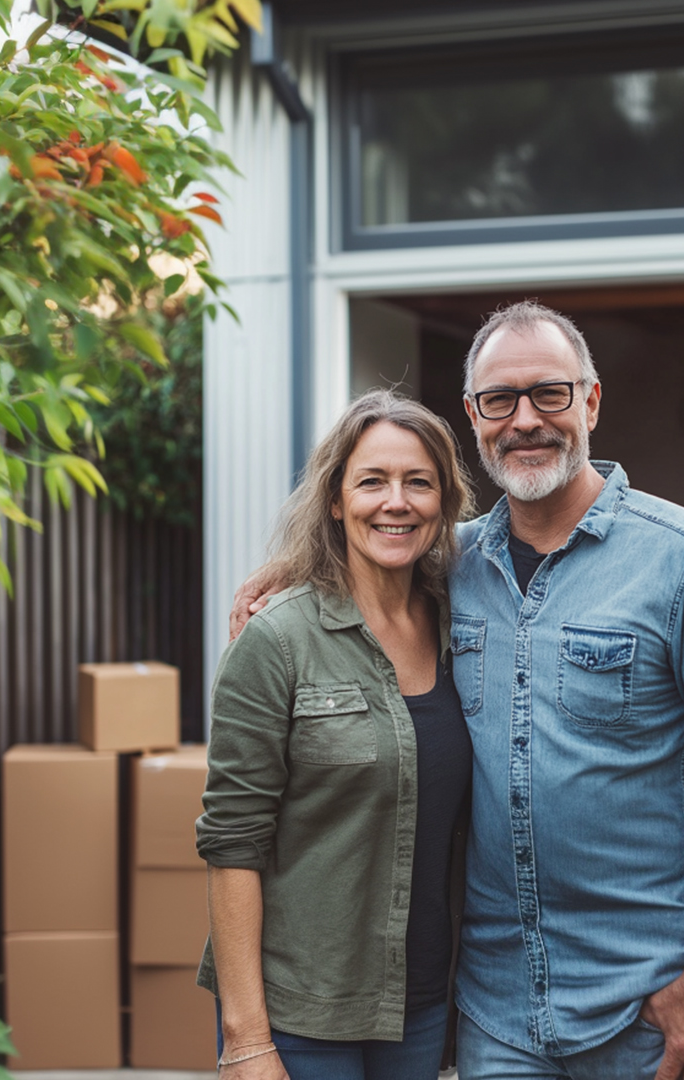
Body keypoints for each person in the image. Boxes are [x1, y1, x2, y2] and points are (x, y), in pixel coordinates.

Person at [232, 302, 684, 1080]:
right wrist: (291, 574)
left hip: (644, 1005)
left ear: (591, 401)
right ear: (473, 417)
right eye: (501, 400)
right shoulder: (450, 566)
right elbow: (372, 546)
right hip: (496, 1010)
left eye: (550, 394)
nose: (525, 420)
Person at [195, 389, 476, 1080]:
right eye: (372, 481)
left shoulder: (462, 619)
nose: (397, 501)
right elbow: (233, 842)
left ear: (443, 501)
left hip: (423, 1005)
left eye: (419, 482)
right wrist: (247, 1038)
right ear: (333, 498)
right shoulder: (278, 640)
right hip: (301, 1015)